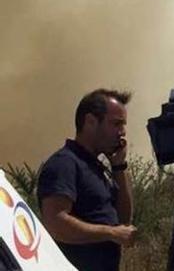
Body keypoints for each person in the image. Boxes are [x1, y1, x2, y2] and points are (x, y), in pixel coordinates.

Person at [37, 89, 137, 271]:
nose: (122, 132)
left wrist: (119, 167)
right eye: (116, 124)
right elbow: (55, 223)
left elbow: (124, 221)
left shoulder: (98, 168)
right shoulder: (65, 164)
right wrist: (111, 233)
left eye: (123, 125)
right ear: (90, 121)